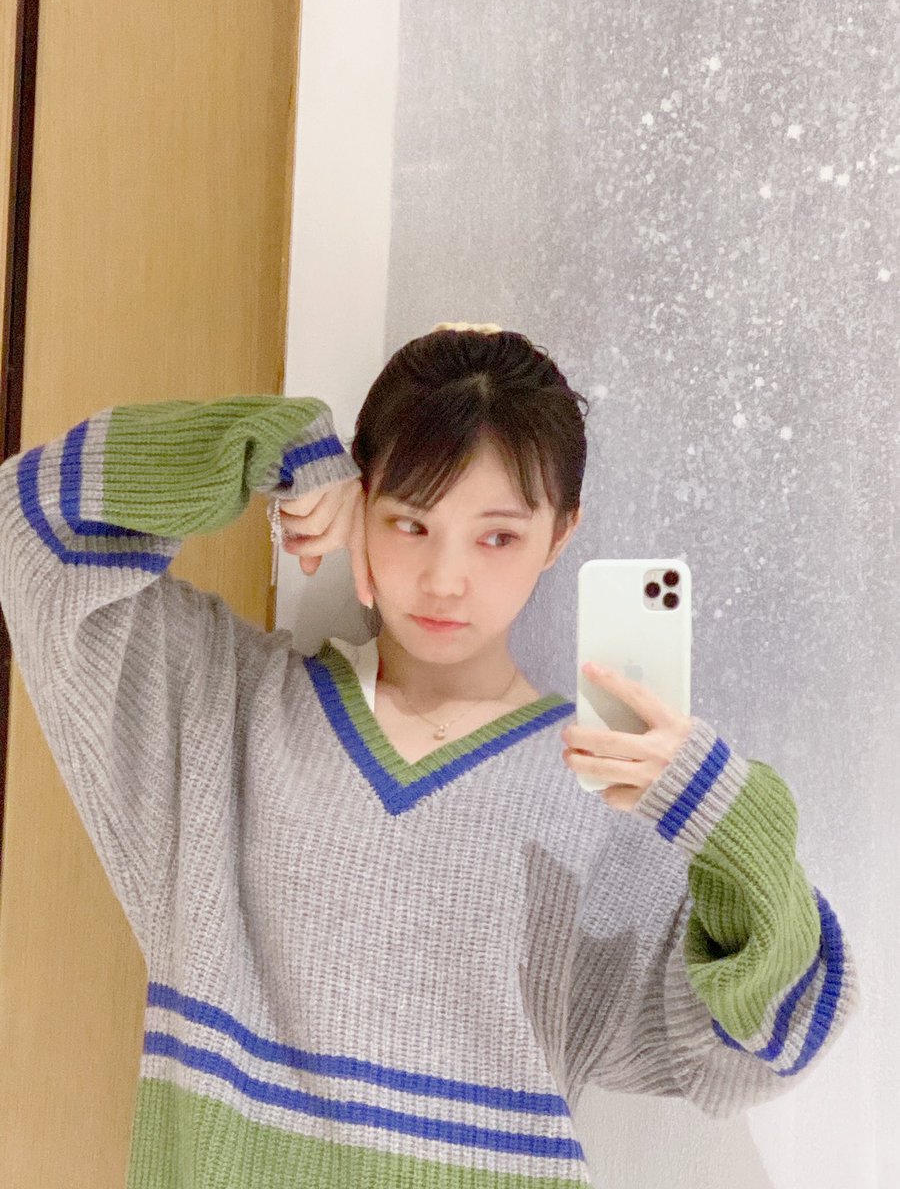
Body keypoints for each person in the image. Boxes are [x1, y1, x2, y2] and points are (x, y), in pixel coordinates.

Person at [0, 323, 859, 1187]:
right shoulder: (224, 711)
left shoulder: (607, 796)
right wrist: (260, 449)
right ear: (358, 500)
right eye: (411, 522)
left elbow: (770, 1045)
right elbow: (28, 530)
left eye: (497, 537)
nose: (446, 579)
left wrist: (727, 816)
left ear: (561, 534)